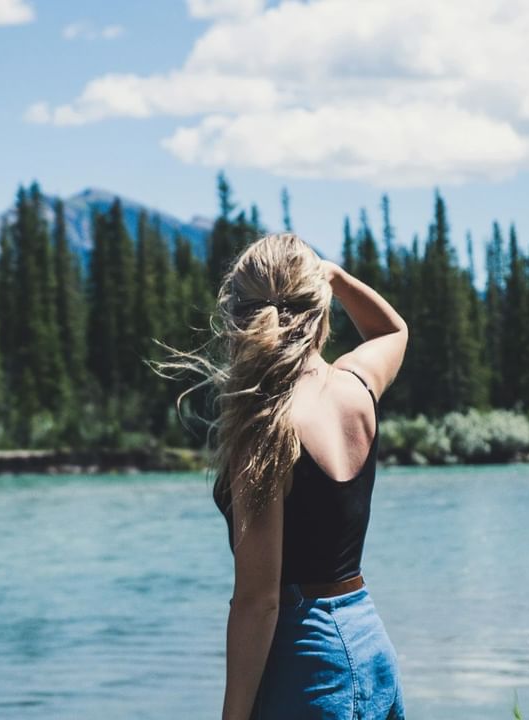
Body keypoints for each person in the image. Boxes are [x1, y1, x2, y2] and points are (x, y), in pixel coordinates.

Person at [157, 232, 409, 719]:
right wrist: (332, 274)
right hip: (368, 642)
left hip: (304, 664)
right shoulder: (356, 388)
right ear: (320, 310)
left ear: (236, 317)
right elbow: (392, 332)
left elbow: (259, 601)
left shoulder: (266, 430)